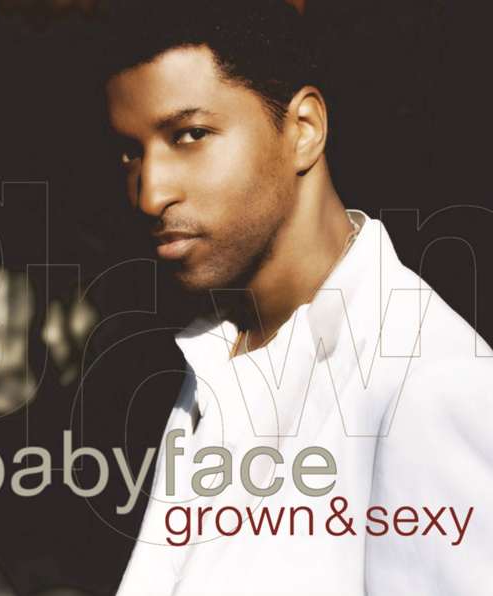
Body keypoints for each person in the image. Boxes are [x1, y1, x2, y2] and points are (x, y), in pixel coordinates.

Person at [101, 0, 493, 594]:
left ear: (304, 130)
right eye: (131, 151)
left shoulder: (425, 384)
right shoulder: (216, 354)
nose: (150, 194)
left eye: (190, 135)